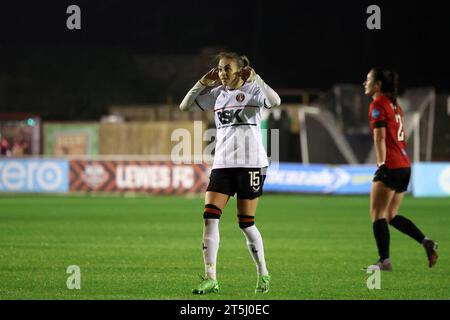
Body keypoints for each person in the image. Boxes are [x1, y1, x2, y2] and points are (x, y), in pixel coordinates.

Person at [179, 52, 281, 294]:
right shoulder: (217, 94)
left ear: (240, 70)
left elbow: (275, 101)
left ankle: (263, 273)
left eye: (227, 68)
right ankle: (210, 277)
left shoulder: (254, 91)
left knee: (245, 223)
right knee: (209, 216)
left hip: (251, 164)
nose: (222, 73)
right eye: (220, 69)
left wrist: (257, 79)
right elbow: (185, 106)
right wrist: (202, 82)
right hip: (222, 163)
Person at [363, 67, 438, 271]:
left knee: (377, 215)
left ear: (377, 85)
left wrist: (381, 164)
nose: (364, 83)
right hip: (405, 166)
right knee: (390, 215)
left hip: (391, 165)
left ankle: (384, 261)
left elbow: (379, 136)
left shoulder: (378, 104)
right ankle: (426, 242)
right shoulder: (394, 105)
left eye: (368, 80)